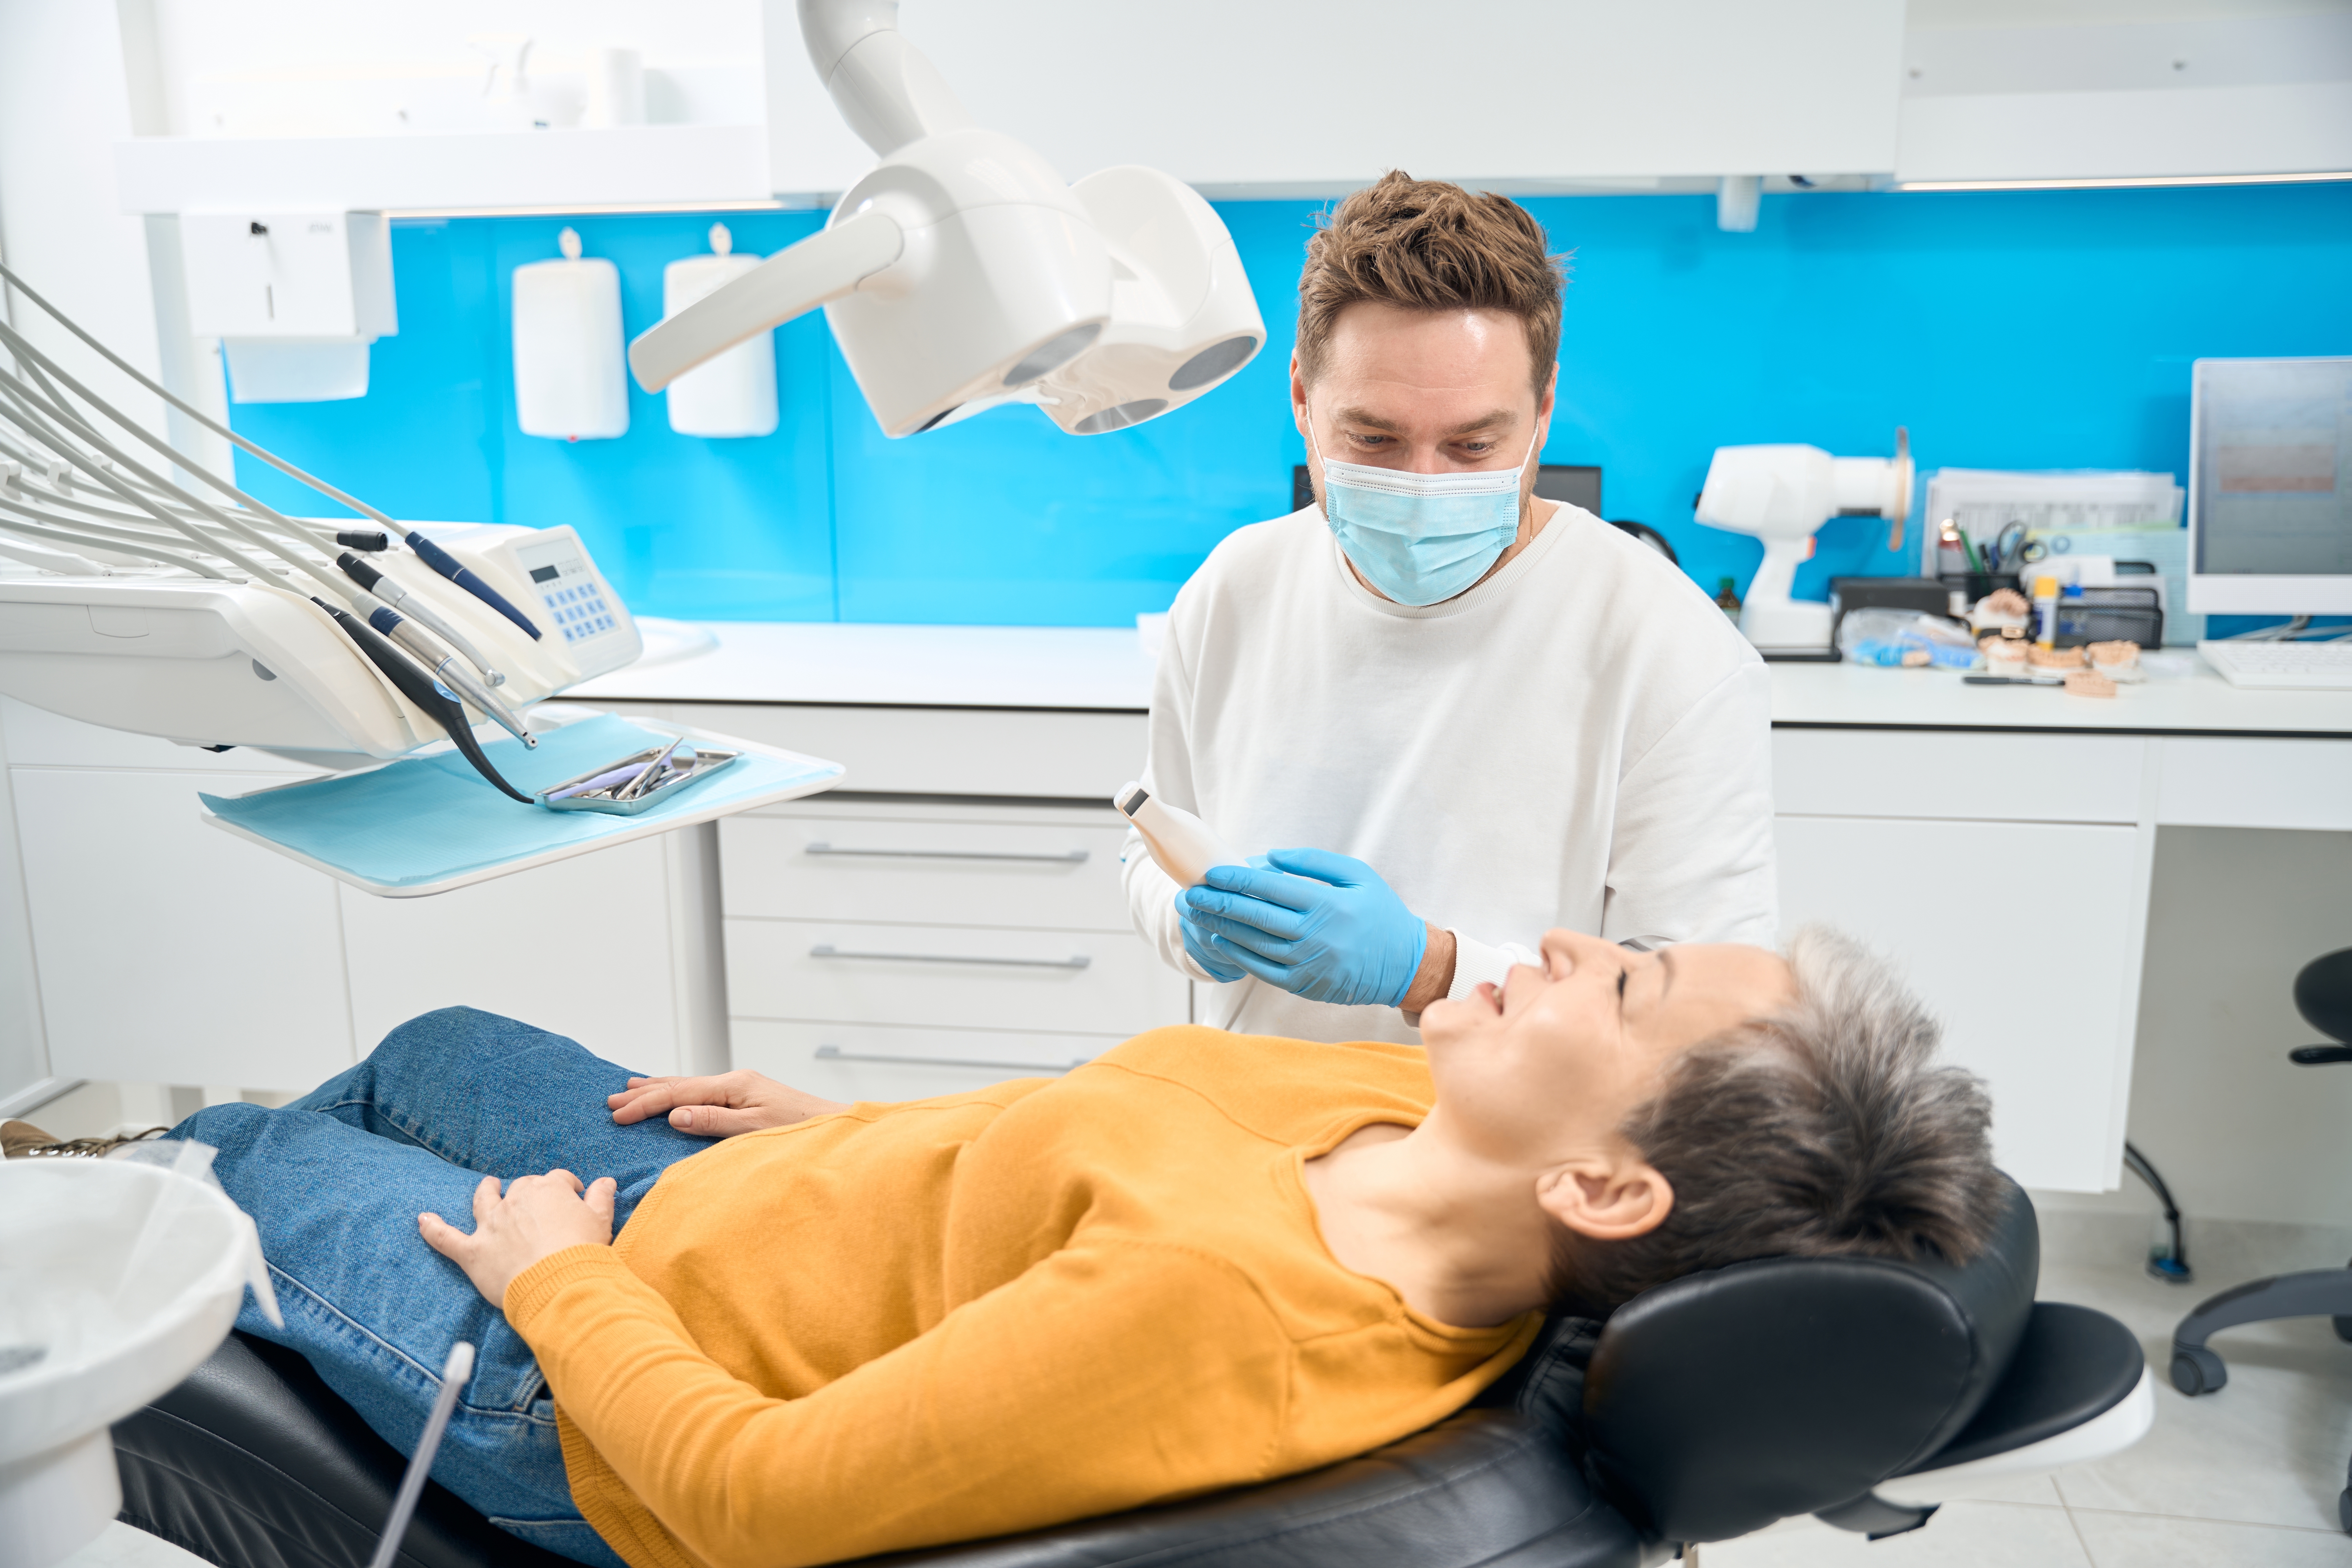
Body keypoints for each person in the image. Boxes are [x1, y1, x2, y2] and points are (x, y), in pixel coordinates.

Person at [180, 928, 1999, 1568]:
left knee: (231, 1162)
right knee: (429, 1049)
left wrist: (558, 1286)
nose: (1574, 945)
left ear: (1601, 1191)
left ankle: (147, 1218)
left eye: (1633, 984)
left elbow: (748, 1500)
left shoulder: (1236, 1315)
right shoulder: (1402, 1109)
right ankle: (261, 1269)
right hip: (751, 1209)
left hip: (590, 1382)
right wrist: (851, 1137)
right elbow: (1090, 1144)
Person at [1125, 172, 1777, 1044]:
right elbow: (1151, 848)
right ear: (1303, 399)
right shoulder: (1234, 589)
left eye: (1473, 445)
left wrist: (1433, 972)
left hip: (1504, 1126)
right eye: (1374, 439)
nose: (1422, 485)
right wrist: (1190, 923)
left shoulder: (1668, 647)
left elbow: (1708, 1014)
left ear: (1542, 413)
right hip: (1256, 1109)